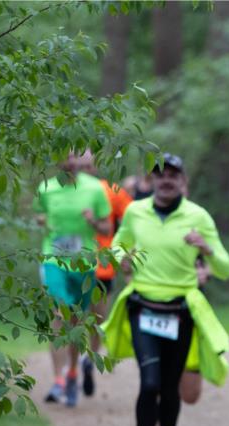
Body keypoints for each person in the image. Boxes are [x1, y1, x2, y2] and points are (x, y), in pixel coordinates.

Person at [102, 153, 229, 426]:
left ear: (182, 181)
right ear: (151, 180)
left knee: (172, 389)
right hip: (143, 307)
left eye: (173, 175)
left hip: (180, 311)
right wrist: (121, 259)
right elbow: (117, 244)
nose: (166, 180)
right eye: (160, 175)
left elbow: (225, 268)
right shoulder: (135, 211)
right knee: (150, 384)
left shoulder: (198, 216)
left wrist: (206, 248)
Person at [119, 170, 207, 405]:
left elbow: (215, 263)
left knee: (189, 395)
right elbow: (123, 252)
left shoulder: (198, 222)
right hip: (148, 306)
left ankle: (167, 404)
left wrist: (205, 271)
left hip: (186, 310)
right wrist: (129, 270)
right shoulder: (144, 219)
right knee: (153, 382)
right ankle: (153, 423)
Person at [34, 151, 112, 407]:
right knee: (59, 314)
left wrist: (93, 221)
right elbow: (39, 216)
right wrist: (42, 220)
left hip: (84, 262)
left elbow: (106, 228)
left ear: (79, 161)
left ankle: (73, 373)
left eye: (74, 157)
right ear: (58, 161)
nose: (69, 162)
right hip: (53, 259)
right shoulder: (45, 188)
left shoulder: (95, 189)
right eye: (64, 156)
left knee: (77, 320)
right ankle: (58, 380)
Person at [72, 150, 133, 397]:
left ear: (96, 167)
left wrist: (123, 250)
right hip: (71, 264)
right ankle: (73, 367)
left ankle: (90, 359)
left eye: (89, 166)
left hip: (101, 266)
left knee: (97, 318)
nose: (85, 170)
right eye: (80, 166)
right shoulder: (65, 192)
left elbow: (134, 217)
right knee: (73, 319)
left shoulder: (111, 191)